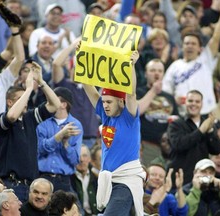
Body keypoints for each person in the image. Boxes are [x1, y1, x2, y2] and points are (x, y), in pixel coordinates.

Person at [81, 49, 145, 215]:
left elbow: (131, 94)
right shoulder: (105, 114)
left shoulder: (130, 117)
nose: (105, 105)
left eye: (109, 102)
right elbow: (88, 87)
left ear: (120, 101)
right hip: (110, 182)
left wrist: (131, 66)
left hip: (126, 181)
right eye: (104, 102)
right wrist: (81, 56)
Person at [0, 61, 60, 203]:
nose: (25, 102)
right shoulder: (1, 120)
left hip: (31, 186)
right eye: (20, 99)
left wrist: (41, 81)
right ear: (10, 102)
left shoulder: (29, 117)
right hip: (11, 185)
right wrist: (29, 88)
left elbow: (55, 104)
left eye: (26, 99)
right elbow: (11, 116)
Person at [162, 1, 220, 116]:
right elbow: (166, 92)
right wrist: (173, 100)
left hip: (207, 114)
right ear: (182, 46)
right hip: (183, 117)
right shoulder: (175, 66)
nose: (190, 46)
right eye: (187, 43)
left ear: (199, 48)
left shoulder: (206, 59)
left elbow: (216, 37)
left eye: (193, 43)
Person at [167, 90, 220, 187]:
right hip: (180, 179)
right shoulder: (176, 124)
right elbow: (179, 144)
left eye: (197, 101)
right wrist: (201, 130)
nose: (194, 104)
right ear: (185, 103)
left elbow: (218, 149)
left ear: (202, 104)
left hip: (202, 180)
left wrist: (210, 131)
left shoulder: (208, 125)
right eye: (190, 101)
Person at [52, 39, 99, 149]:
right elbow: (56, 64)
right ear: (70, 69)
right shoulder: (63, 85)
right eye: (77, 68)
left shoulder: (92, 86)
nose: (80, 71)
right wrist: (73, 45)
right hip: (70, 136)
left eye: (83, 68)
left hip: (91, 138)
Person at [37, 87, 83, 192]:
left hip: (64, 180)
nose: (48, 102)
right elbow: (40, 149)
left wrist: (65, 144)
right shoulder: (42, 122)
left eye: (53, 99)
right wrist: (59, 136)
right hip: (42, 178)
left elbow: (75, 160)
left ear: (63, 104)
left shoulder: (76, 125)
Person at [137, 58, 178, 166]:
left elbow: (176, 120)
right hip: (146, 146)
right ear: (146, 74)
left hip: (167, 149)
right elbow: (137, 111)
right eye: (152, 70)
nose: (156, 73)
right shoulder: (138, 92)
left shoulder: (169, 97)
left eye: (160, 71)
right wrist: (153, 91)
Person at [71, 144, 99, 215]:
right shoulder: (69, 180)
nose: (81, 160)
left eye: (84, 156)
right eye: (78, 156)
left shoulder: (97, 177)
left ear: (89, 158)